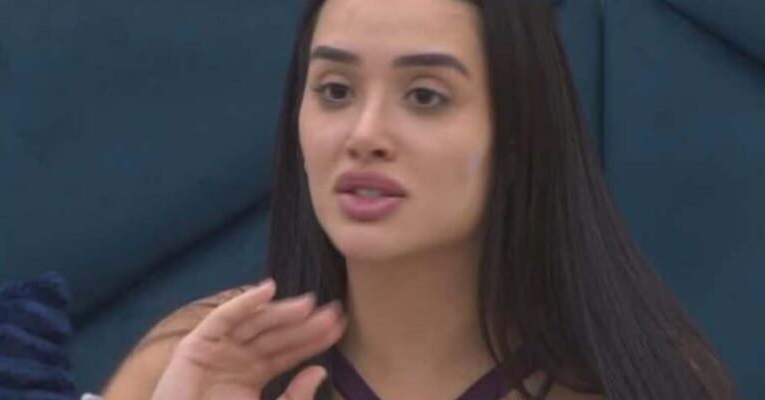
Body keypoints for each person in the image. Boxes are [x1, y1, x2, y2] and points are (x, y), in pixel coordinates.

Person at [100, 0, 737, 399]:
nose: (364, 135)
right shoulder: (190, 367)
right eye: (335, 90)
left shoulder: (639, 381)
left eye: (425, 96)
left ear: (520, 133)